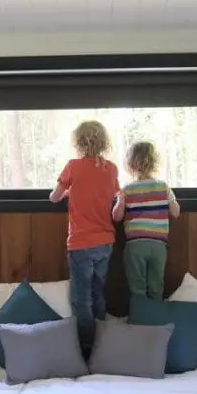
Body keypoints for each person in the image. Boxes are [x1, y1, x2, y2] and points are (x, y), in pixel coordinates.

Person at [50, 120, 120, 355]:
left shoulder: (73, 166)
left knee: (82, 300)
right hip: (106, 242)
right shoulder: (111, 169)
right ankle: (102, 344)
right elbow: (108, 194)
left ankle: (86, 348)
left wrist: (67, 191)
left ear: (78, 143)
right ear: (103, 143)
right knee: (99, 295)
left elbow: (54, 197)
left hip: (81, 243)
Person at [113, 141, 180, 300]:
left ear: (130, 164)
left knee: (137, 288)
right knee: (156, 286)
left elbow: (117, 217)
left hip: (135, 245)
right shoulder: (163, 187)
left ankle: (139, 320)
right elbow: (176, 212)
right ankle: (154, 320)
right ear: (155, 163)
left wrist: (120, 201)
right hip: (158, 245)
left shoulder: (127, 189)